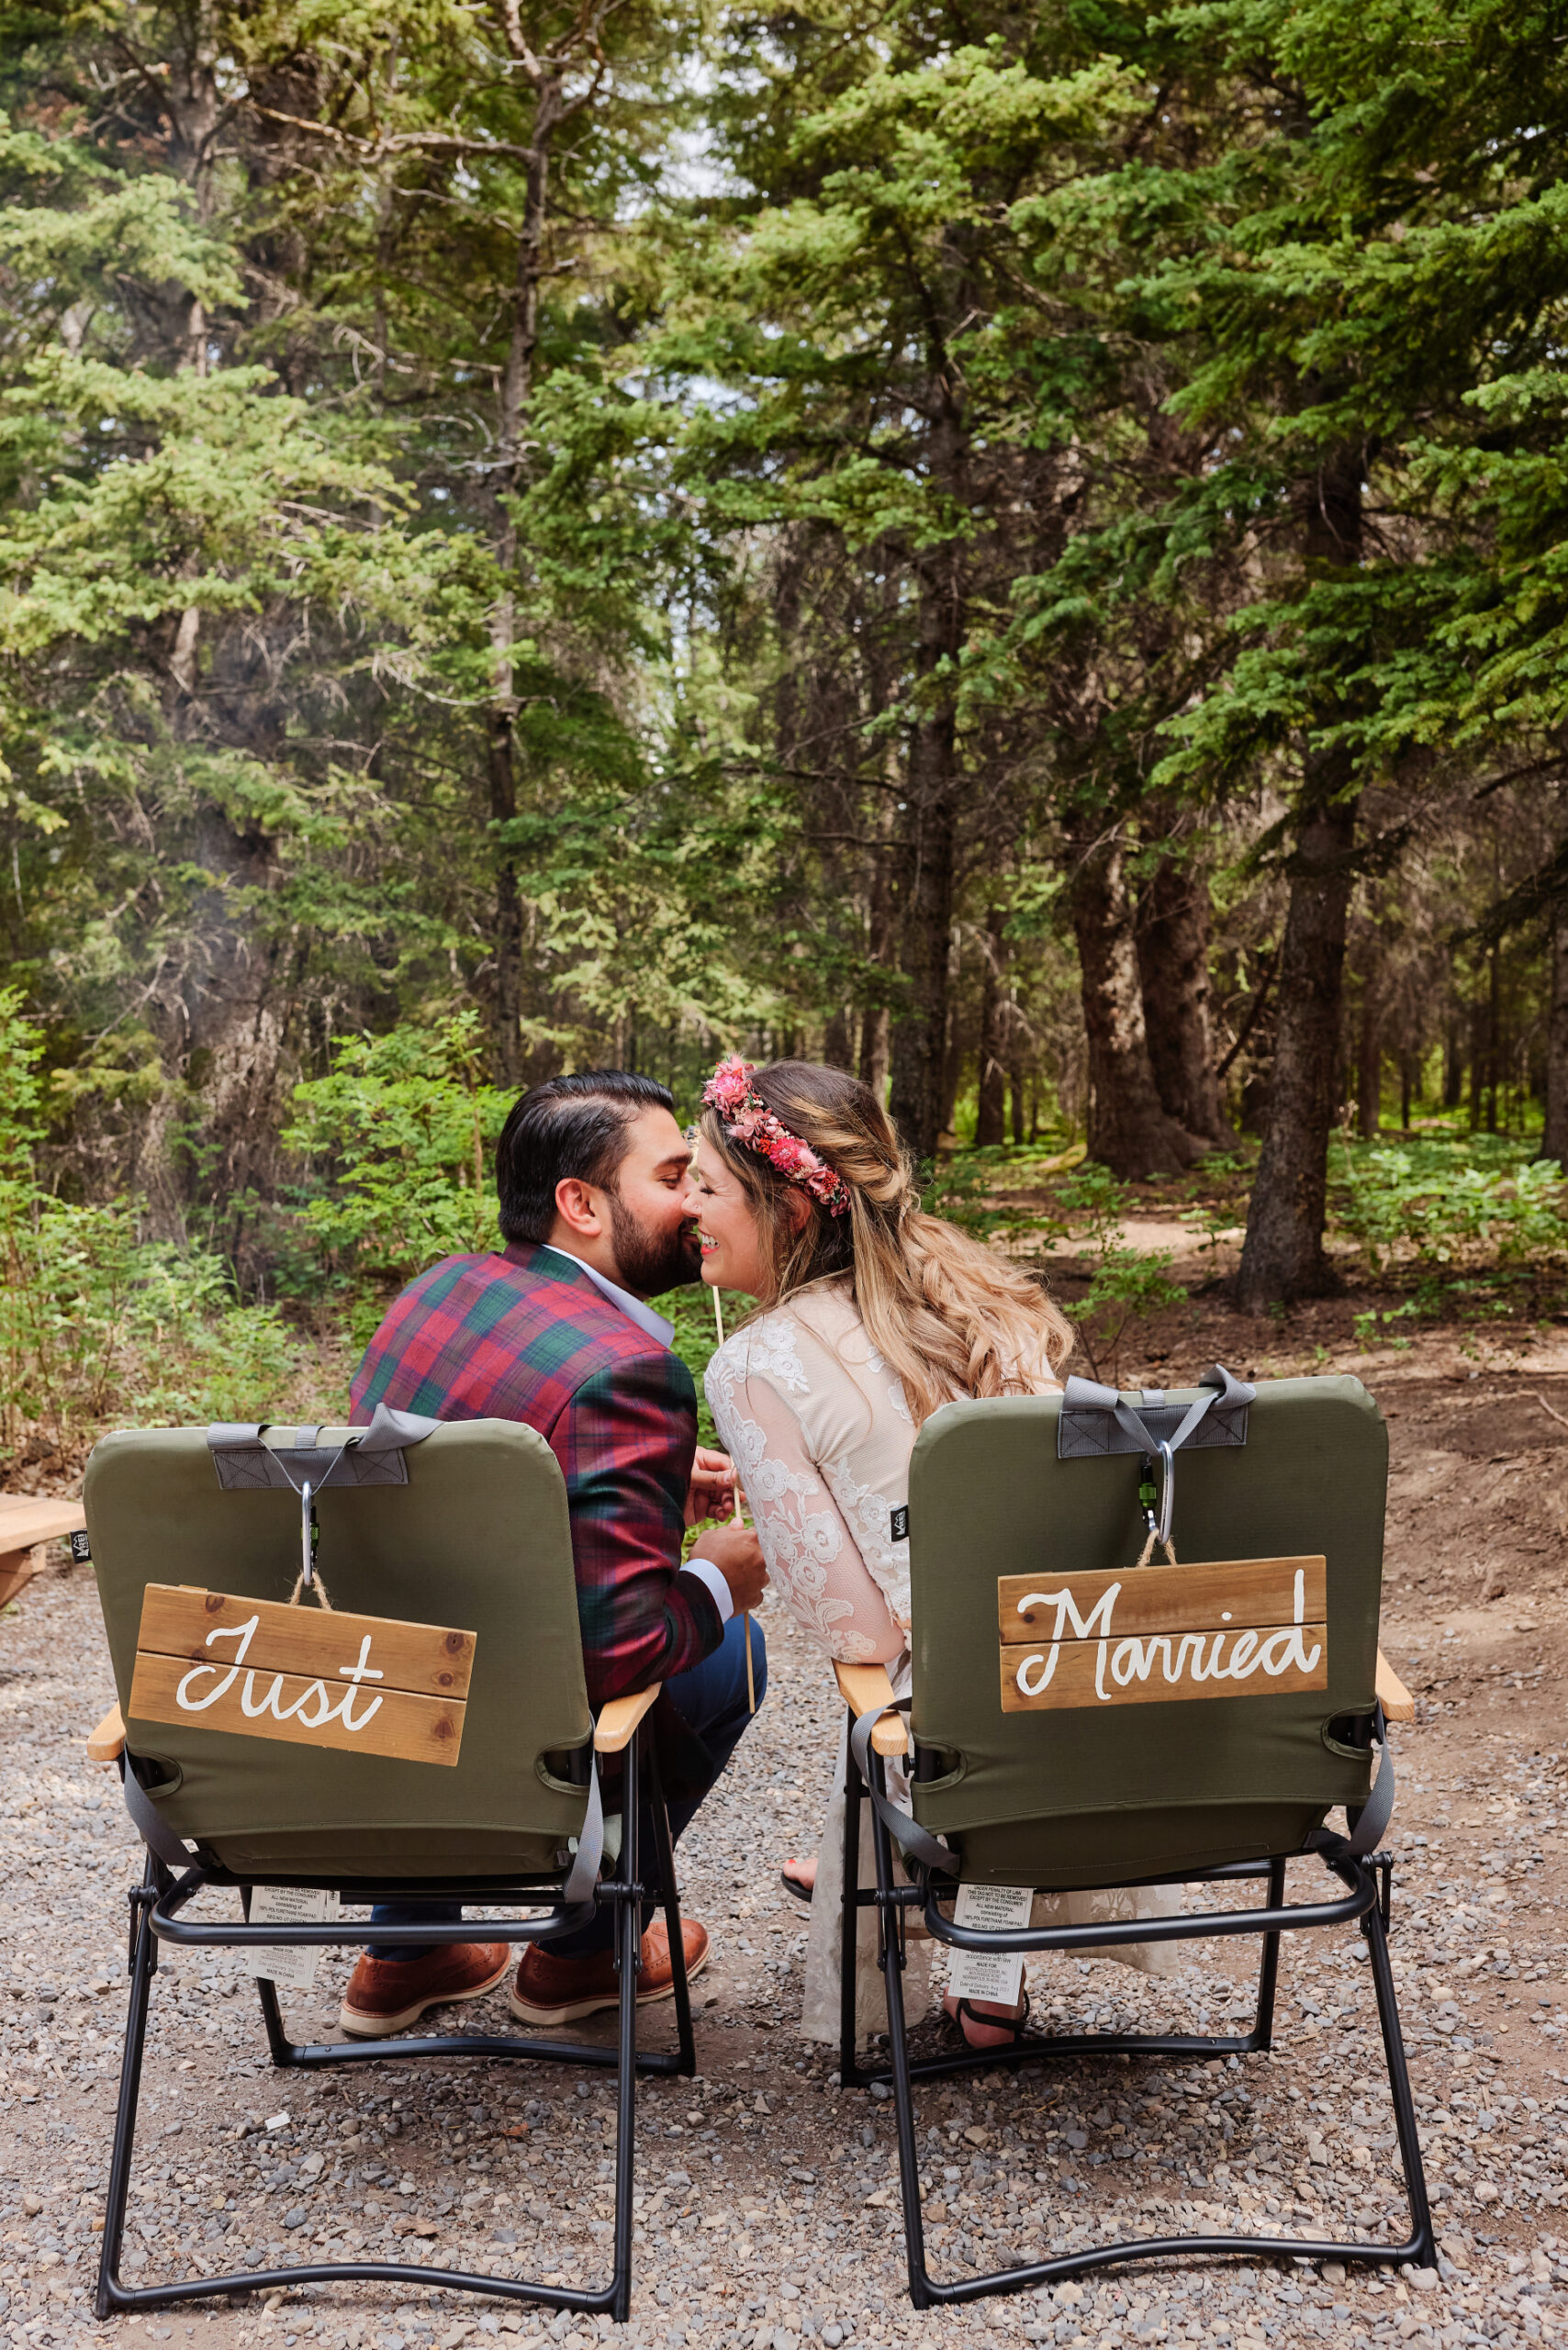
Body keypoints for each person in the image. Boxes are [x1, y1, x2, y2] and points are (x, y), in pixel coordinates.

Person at [693, 1056, 1178, 2051]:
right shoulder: (975, 1291)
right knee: (991, 1639)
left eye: (704, 1184)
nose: (685, 1207)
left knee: (913, 1669)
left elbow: (859, 1633)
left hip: (961, 1742)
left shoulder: (755, 1364)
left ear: (787, 1206)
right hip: (1114, 1682)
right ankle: (984, 1984)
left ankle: (933, 1914)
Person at [338, 1069, 767, 2038]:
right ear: (580, 1203)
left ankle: (404, 1951)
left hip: (385, 1700)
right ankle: (581, 1953)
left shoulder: (442, 1286)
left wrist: (648, 1477)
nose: (697, 1201)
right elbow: (618, 1651)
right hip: (501, 1732)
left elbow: (469, 1479)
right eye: (674, 1177)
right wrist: (719, 1578)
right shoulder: (629, 1366)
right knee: (729, 1655)